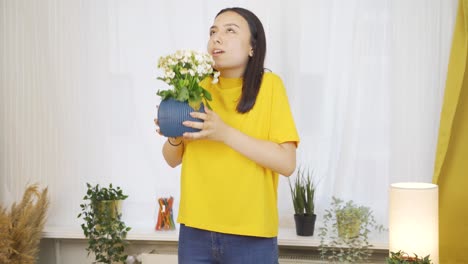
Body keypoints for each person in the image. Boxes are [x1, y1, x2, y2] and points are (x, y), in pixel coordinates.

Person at [154, 7, 299, 264]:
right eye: (213, 31)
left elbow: (286, 163)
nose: (216, 38)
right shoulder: (195, 87)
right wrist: (173, 133)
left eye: (230, 30)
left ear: (253, 46)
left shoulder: (270, 87)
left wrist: (224, 133)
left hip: (251, 236)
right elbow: (172, 158)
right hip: (195, 232)